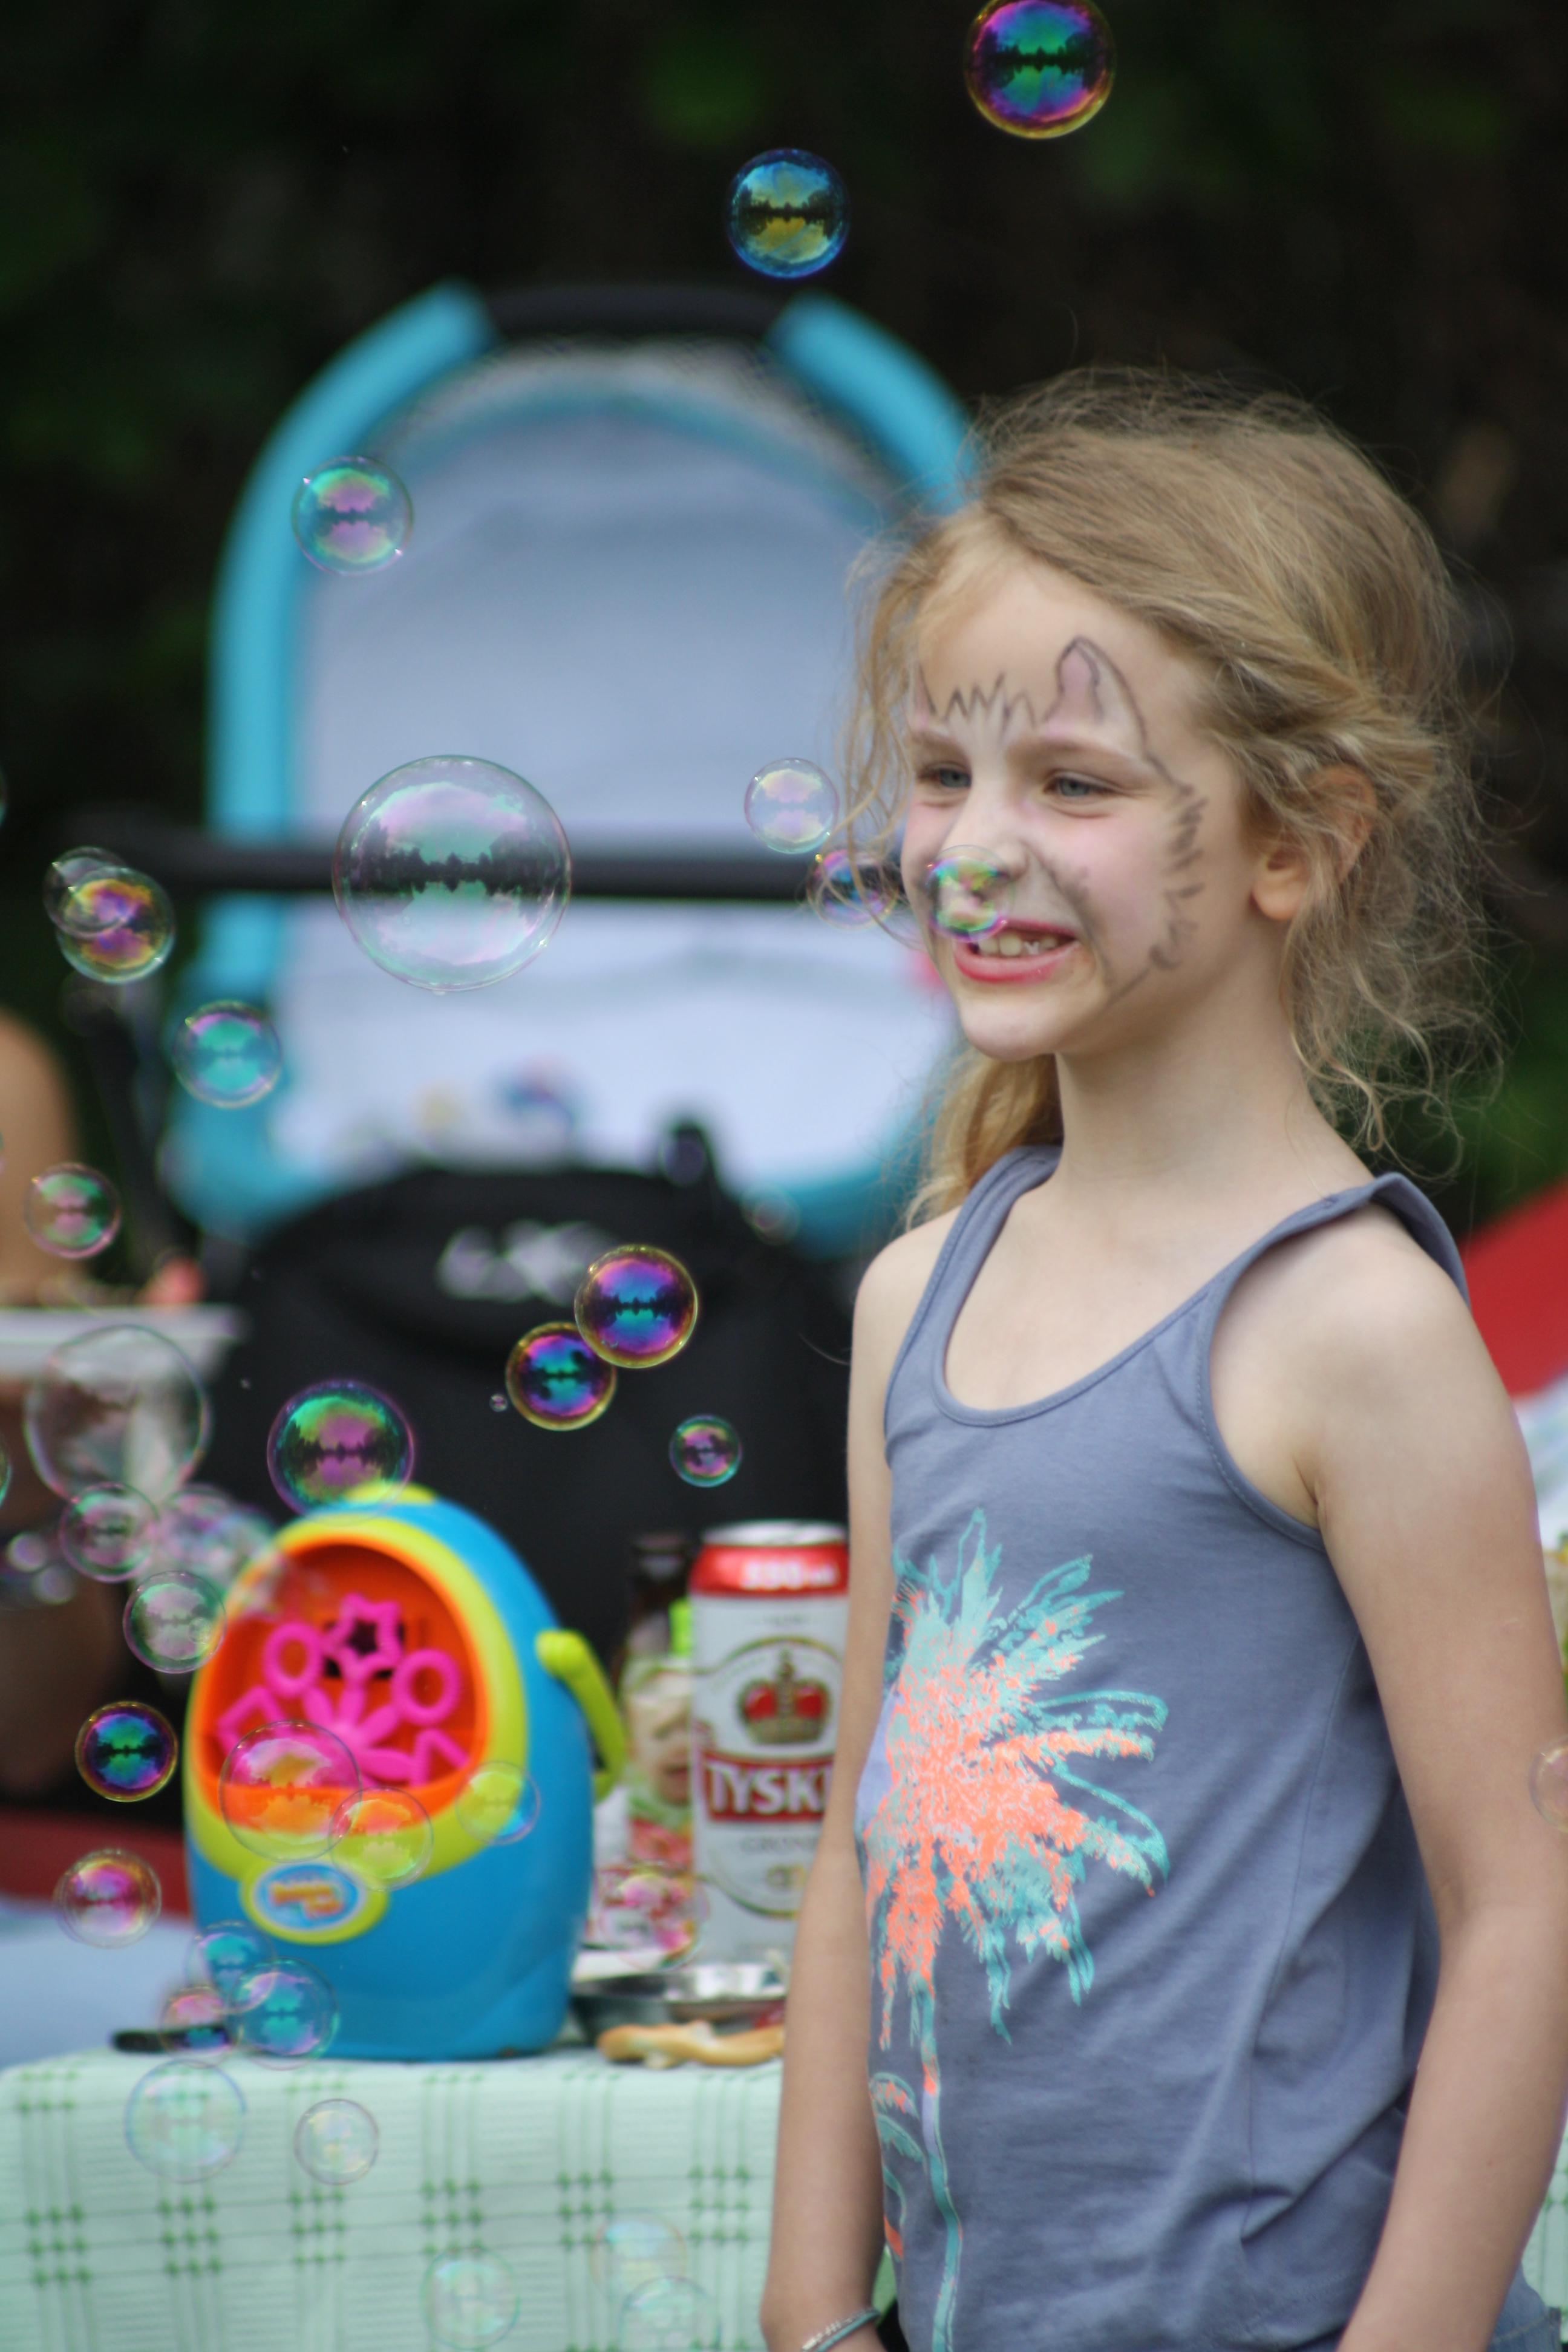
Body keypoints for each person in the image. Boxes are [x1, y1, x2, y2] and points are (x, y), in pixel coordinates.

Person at [762, 375, 1568, 2352]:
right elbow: (863, 1845)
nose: (975, 849)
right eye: (940, 773)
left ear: (1300, 844)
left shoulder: (1351, 1328)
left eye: (1075, 783)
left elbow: (1526, 1908)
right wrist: (812, 2308)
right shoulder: (916, 1298)